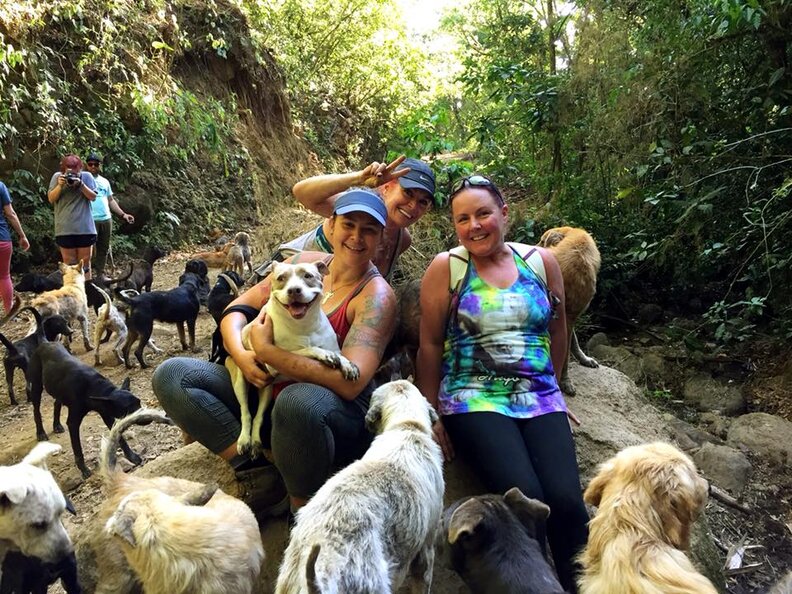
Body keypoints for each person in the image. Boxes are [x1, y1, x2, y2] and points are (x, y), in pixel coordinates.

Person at [153, 188, 397, 518]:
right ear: (332, 226)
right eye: (349, 225)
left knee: (296, 400)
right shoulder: (300, 265)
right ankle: (256, 472)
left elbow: (350, 383)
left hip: (327, 415)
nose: (356, 237)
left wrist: (268, 352)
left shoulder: (375, 297)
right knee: (173, 375)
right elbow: (237, 308)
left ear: (382, 236)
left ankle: (302, 507)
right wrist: (241, 353)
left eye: (369, 229)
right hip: (266, 390)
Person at [415, 174, 589, 592]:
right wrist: (430, 411)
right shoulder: (448, 268)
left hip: (538, 395)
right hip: (473, 397)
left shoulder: (540, 262)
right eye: (463, 219)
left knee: (567, 502)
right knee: (525, 498)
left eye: (483, 214)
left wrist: (556, 388)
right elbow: (430, 343)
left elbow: (558, 328)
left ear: (504, 214)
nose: (474, 225)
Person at [279, 155, 436, 280]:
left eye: (422, 202)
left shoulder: (402, 240)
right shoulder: (356, 208)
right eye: (408, 193)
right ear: (387, 187)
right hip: (282, 280)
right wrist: (359, 178)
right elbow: (301, 192)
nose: (413, 206)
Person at [85, 153, 135, 282]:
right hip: (89, 219)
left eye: (96, 164)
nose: (93, 167)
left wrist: (123, 214)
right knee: (88, 250)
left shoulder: (104, 182)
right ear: (86, 165)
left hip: (106, 219)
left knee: (103, 248)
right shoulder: (83, 180)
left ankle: (100, 274)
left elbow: (111, 200)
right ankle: (87, 277)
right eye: (90, 164)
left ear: (100, 166)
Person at [47, 154, 98, 280]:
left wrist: (81, 185)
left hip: (85, 228)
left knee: (84, 263)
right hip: (64, 228)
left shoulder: (86, 177)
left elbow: (93, 197)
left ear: (80, 168)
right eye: (68, 169)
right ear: (63, 169)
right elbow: (51, 199)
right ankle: (72, 294)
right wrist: (60, 185)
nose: (72, 174)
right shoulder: (57, 177)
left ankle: (86, 294)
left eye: (74, 170)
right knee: (69, 265)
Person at [0, 180, 29, 316]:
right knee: (4, 276)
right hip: (2, 239)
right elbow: (10, 214)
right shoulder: (0, 186)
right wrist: (22, 236)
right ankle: (9, 312)